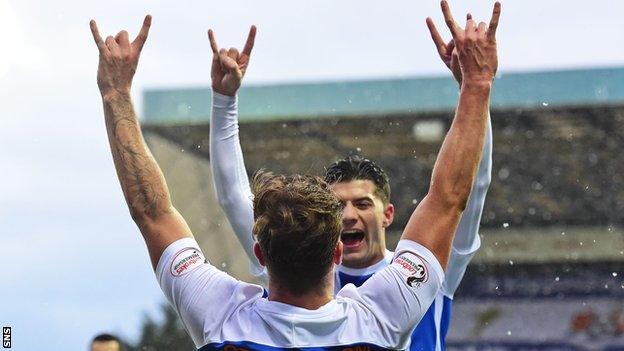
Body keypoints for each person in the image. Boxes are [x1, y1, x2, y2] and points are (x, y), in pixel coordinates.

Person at [89, 1, 500, 349]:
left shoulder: (223, 320)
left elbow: (153, 212)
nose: (353, 214)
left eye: (362, 203)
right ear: (336, 253)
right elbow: (450, 197)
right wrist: (477, 85)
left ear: (261, 256)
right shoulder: (380, 315)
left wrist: (116, 95)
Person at [210, 7, 493, 351]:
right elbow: (235, 199)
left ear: (388, 214)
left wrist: (474, 91)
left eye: (362, 203)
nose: (347, 215)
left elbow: (469, 188)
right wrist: (224, 101)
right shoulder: (299, 270)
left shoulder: (422, 272)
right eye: (338, 206)